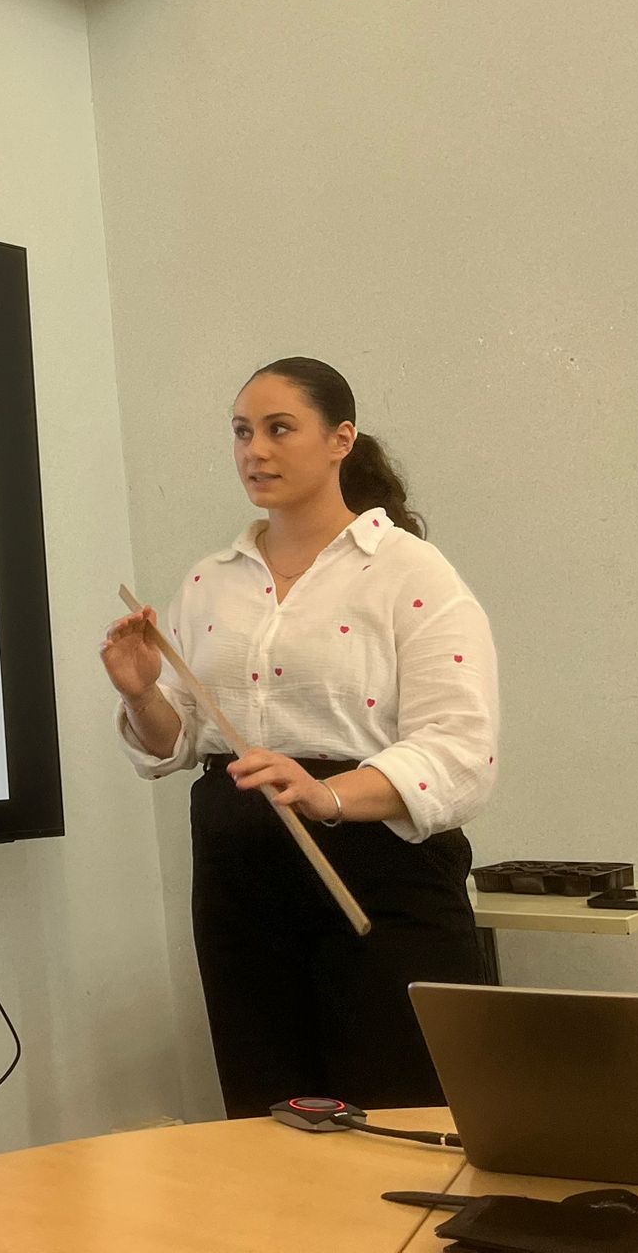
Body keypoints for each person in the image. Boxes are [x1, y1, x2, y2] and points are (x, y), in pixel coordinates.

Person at [101, 357, 498, 1118]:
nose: (255, 450)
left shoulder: (411, 573)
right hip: (239, 874)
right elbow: (174, 743)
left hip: (380, 867)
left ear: (340, 439)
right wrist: (142, 691)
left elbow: (460, 748)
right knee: (268, 1115)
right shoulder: (210, 580)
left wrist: (328, 795)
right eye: (242, 432)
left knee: (399, 1116)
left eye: (279, 429)